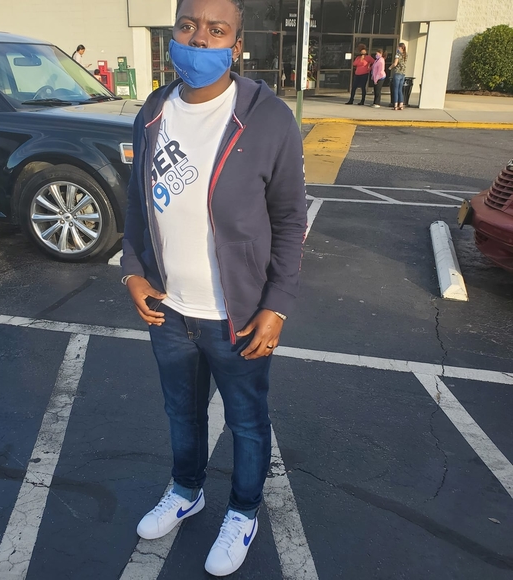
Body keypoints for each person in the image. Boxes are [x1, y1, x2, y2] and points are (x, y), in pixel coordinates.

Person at [120, 0, 306, 575]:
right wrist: (132, 269)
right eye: (188, 26)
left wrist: (277, 305)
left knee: (247, 421)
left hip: (238, 316)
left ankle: (243, 511)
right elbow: (137, 201)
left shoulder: (268, 118)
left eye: (216, 30)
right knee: (182, 414)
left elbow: (290, 220)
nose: (199, 39)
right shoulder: (153, 111)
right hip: (169, 311)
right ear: (173, 32)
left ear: (236, 44)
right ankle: (186, 490)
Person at [389, 42, 407, 110]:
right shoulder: (405, 54)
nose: (397, 48)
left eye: (398, 47)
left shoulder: (397, 54)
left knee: (395, 89)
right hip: (403, 73)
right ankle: (401, 104)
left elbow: (395, 63)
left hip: (397, 73)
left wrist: (390, 67)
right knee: (400, 89)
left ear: (400, 47)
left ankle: (395, 105)